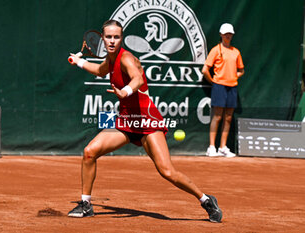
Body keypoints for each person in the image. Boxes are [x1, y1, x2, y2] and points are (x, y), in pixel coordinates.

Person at [68, 19, 222, 223]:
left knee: (167, 171)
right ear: (103, 39)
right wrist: (78, 62)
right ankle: (86, 204)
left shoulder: (126, 59)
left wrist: (125, 91)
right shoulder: (110, 60)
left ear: (121, 38)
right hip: (126, 121)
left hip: (146, 120)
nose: (112, 41)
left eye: (116, 37)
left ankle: (205, 200)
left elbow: (138, 78)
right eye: (109, 37)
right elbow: (99, 70)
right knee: (90, 152)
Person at [202, 23, 245, 158]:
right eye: (226, 34)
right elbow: (205, 70)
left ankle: (223, 147)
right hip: (219, 86)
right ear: (221, 35)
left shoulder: (236, 52)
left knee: (228, 118)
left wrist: (233, 76)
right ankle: (211, 147)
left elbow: (241, 70)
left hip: (232, 86)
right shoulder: (216, 50)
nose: (228, 36)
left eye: (230, 34)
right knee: (217, 116)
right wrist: (214, 81)